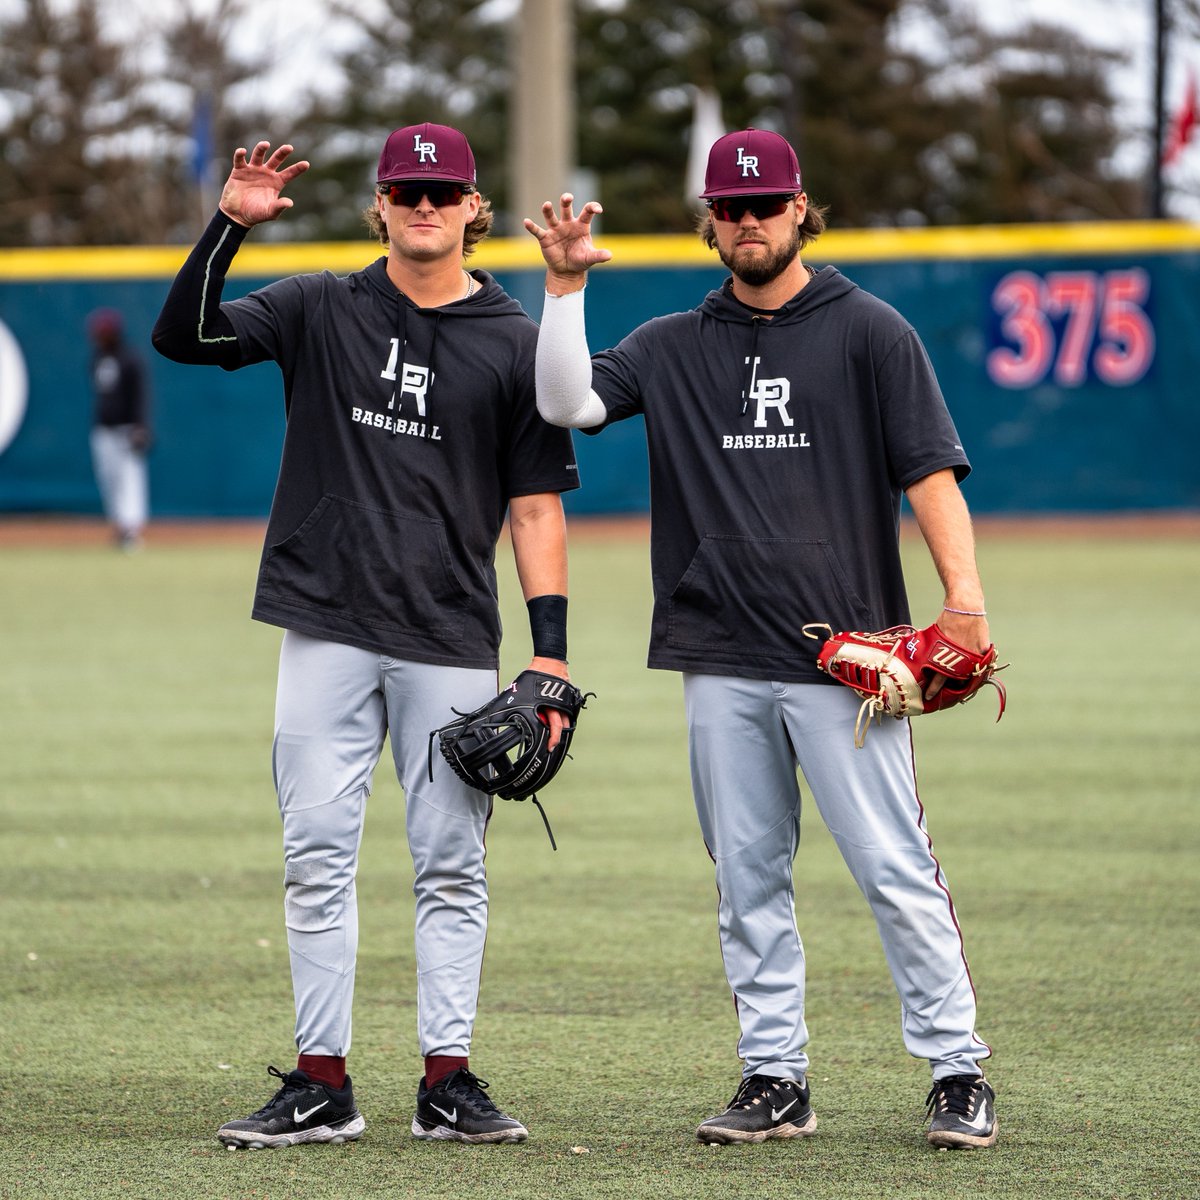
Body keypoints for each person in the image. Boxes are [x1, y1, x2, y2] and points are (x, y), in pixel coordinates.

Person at [525, 128, 999, 1150]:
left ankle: (957, 1067)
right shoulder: (668, 343)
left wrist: (964, 598)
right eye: (731, 208)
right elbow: (564, 401)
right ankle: (776, 1076)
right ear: (711, 220)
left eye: (765, 205)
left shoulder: (870, 331)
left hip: (849, 654)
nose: (748, 221)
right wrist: (563, 289)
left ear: (799, 211)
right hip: (720, 650)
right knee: (747, 875)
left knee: (891, 865)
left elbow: (929, 471)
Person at [152, 123, 579, 1149]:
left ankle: (448, 1079)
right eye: (406, 189)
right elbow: (187, 339)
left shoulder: (515, 343)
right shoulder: (319, 304)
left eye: (443, 191)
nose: (424, 204)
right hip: (326, 623)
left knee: (450, 862)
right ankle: (320, 1081)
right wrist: (227, 225)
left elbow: (535, 509)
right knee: (315, 854)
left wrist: (551, 653)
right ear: (379, 205)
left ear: (475, 207)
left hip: (448, 637)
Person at [87, 308, 151, 549]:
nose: (99, 337)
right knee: (109, 478)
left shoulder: (130, 358)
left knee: (130, 478)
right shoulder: (97, 358)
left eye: (104, 333)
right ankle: (119, 526)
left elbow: (142, 395)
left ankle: (131, 530)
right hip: (103, 429)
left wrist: (141, 426)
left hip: (127, 429)